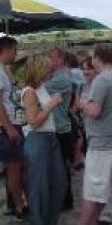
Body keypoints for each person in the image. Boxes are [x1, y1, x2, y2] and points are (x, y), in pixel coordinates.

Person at [78, 44, 112, 225]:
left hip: (102, 142)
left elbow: (94, 111)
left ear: (96, 58)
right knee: (101, 194)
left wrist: (81, 104)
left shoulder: (102, 80)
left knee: (93, 193)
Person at [21, 55, 66, 225]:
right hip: (39, 140)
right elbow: (33, 122)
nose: (51, 70)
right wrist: (51, 105)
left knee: (58, 184)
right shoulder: (30, 92)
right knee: (40, 187)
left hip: (49, 138)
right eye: (47, 67)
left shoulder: (40, 88)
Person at [44, 46, 75, 210]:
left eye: (51, 57)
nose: (48, 60)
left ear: (60, 59)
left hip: (59, 128)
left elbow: (38, 90)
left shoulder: (61, 78)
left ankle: (65, 199)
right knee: (58, 166)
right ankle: (62, 198)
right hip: (56, 127)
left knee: (61, 167)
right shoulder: (55, 76)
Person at [0, 36, 26, 219]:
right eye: (15, 50)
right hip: (8, 126)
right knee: (14, 167)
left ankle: (18, 203)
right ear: (7, 49)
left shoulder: (4, 70)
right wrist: (8, 128)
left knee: (16, 166)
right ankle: (19, 206)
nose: (16, 54)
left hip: (12, 124)